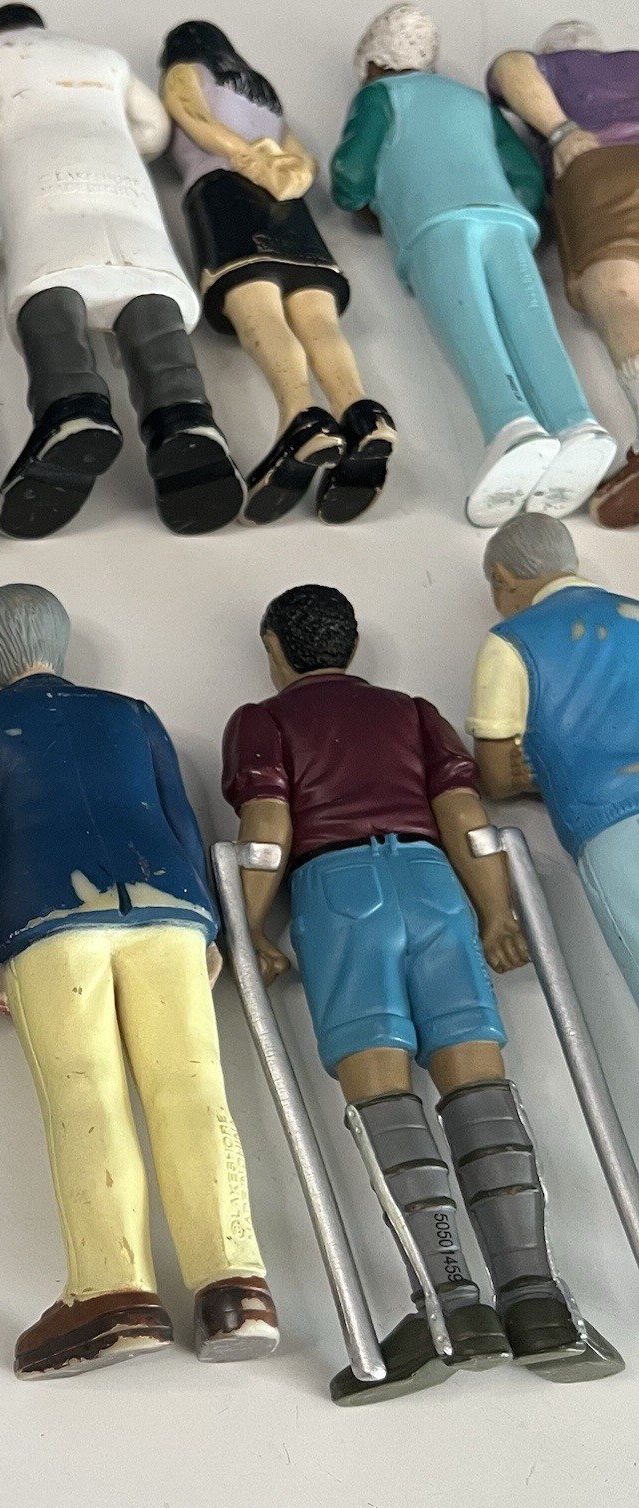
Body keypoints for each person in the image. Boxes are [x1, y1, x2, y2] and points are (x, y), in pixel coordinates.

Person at [223, 584, 619, 1404]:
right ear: (351, 643)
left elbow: (266, 831)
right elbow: (466, 816)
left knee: (383, 1096)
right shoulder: (412, 711)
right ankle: (537, 1300)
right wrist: (496, 910)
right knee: (479, 1082)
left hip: (340, 896)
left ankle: (450, 1305)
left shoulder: (263, 720)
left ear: (274, 648)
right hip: (435, 888)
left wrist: (250, 927)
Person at [0, 584, 276, 1379]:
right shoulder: (132, 713)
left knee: (83, 1092)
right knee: (193, 1086)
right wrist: (209, 920)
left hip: (47, 913)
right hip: (168, 904)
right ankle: (234, 1285)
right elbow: (178, 817)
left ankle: (112, 1290)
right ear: (60, 643)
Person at [0, 5, 243, 538]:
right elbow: (153, 129)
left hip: (43, 172)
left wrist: (1, 156)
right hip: (118, 173)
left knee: (51, 281)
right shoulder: (105, 57)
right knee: (146, 287)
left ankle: (71, 406)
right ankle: (183, 416)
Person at [330, 5, 615, 527]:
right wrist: (511, 205)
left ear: (371, 63)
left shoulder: (379, 96)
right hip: (506, 222)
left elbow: (349, 176)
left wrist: (370, 202)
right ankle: (578, 423)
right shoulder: (471, 99)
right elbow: (524, 175)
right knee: (533, 324)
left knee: (472, 328)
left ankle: (511, 426)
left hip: (436, 223)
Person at [159, 22, 397, 525]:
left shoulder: (185, 70)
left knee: (258, 311)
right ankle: (358, 411)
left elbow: (193, 118)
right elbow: (301, 154)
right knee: (317, 318)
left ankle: (299, 414)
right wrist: (287, 173)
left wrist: (244, 157)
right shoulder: (260, 88)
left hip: (225, 191)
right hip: (287, 204)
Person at [468, 512, 639, 1009]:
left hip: (608, 824)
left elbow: (496, 776)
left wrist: (536, 773)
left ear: (502, 577)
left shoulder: (511, 640)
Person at [490, 23, 639, 527]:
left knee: (619, 294)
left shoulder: (561, 65)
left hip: (603, 167)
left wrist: (559, 130)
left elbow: (511, 65)